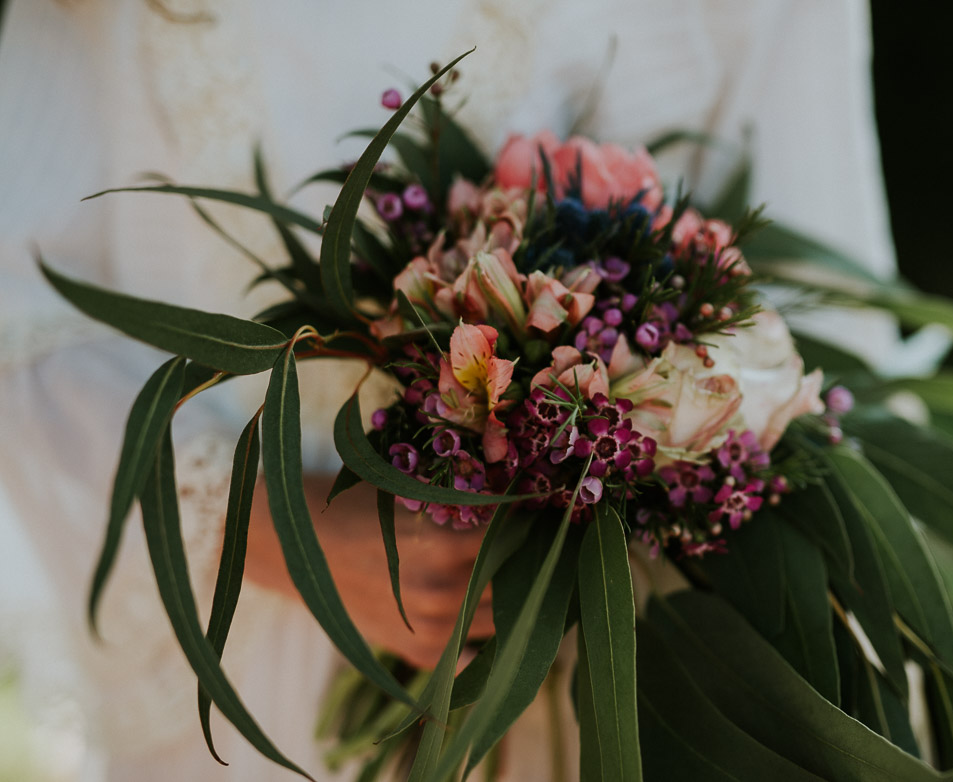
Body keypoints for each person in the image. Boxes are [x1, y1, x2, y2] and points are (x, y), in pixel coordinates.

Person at [0, 0, 898, 779]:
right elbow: (21, 323)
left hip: (585, 690)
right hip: (229, 680)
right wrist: (271, 527)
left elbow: (828, 336)